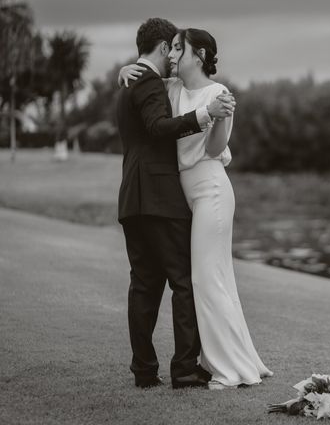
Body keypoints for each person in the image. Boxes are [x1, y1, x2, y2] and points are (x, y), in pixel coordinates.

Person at [119, 28, 273, 390]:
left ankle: (222, 365)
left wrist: (218, 117)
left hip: (210, 191)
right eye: (169, 47)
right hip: (177, 194)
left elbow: (217, 148)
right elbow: (147, 83)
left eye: (178, 47)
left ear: (199, 54)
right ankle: (203, 361)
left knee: (205, 278)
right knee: (200, 279)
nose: (172, 53)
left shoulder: (219, 94)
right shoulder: (170, 89)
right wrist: (126, 68)